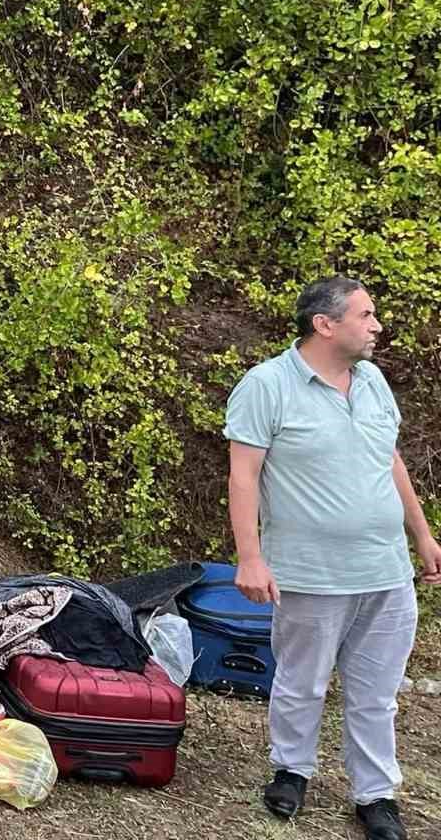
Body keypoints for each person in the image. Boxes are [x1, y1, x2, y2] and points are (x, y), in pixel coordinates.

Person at [226, 276, 441, 840]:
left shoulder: (373, 381)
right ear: (325, 324)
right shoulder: (266, 385)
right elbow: (243, 476)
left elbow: (389, 459)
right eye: (366, 315)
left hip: (385, 570)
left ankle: (375, 796)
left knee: (376, 692)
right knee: (303, 681)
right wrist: (250, 558)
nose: (376, 326)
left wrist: (422, 535)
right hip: (309, 571)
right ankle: (292, 769)